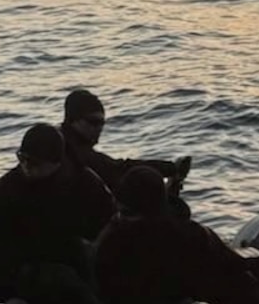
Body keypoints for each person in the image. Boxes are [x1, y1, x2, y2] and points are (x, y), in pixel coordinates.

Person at [94, 165, 259, 304]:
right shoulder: (113, 243)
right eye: (122, 213)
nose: (124, 219)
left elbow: (231, 274)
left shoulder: (188, 236)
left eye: (129, 213)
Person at [0, 123, 114, 304]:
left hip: (71, 252)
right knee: (63, 279)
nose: (26, 166)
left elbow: (107, 221)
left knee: (89, 262)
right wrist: (8, 296)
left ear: (56, 162)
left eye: (34, 162)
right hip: (26, 265)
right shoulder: (6, 191)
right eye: (22, 159)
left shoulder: (83, 182)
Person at [61, 88, 192, 214]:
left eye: (102, 123)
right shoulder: (78, 153)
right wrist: (170, 168)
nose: (99, 128)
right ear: (73, 120)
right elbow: (121, 170)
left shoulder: (60, 143)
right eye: (94, 122)